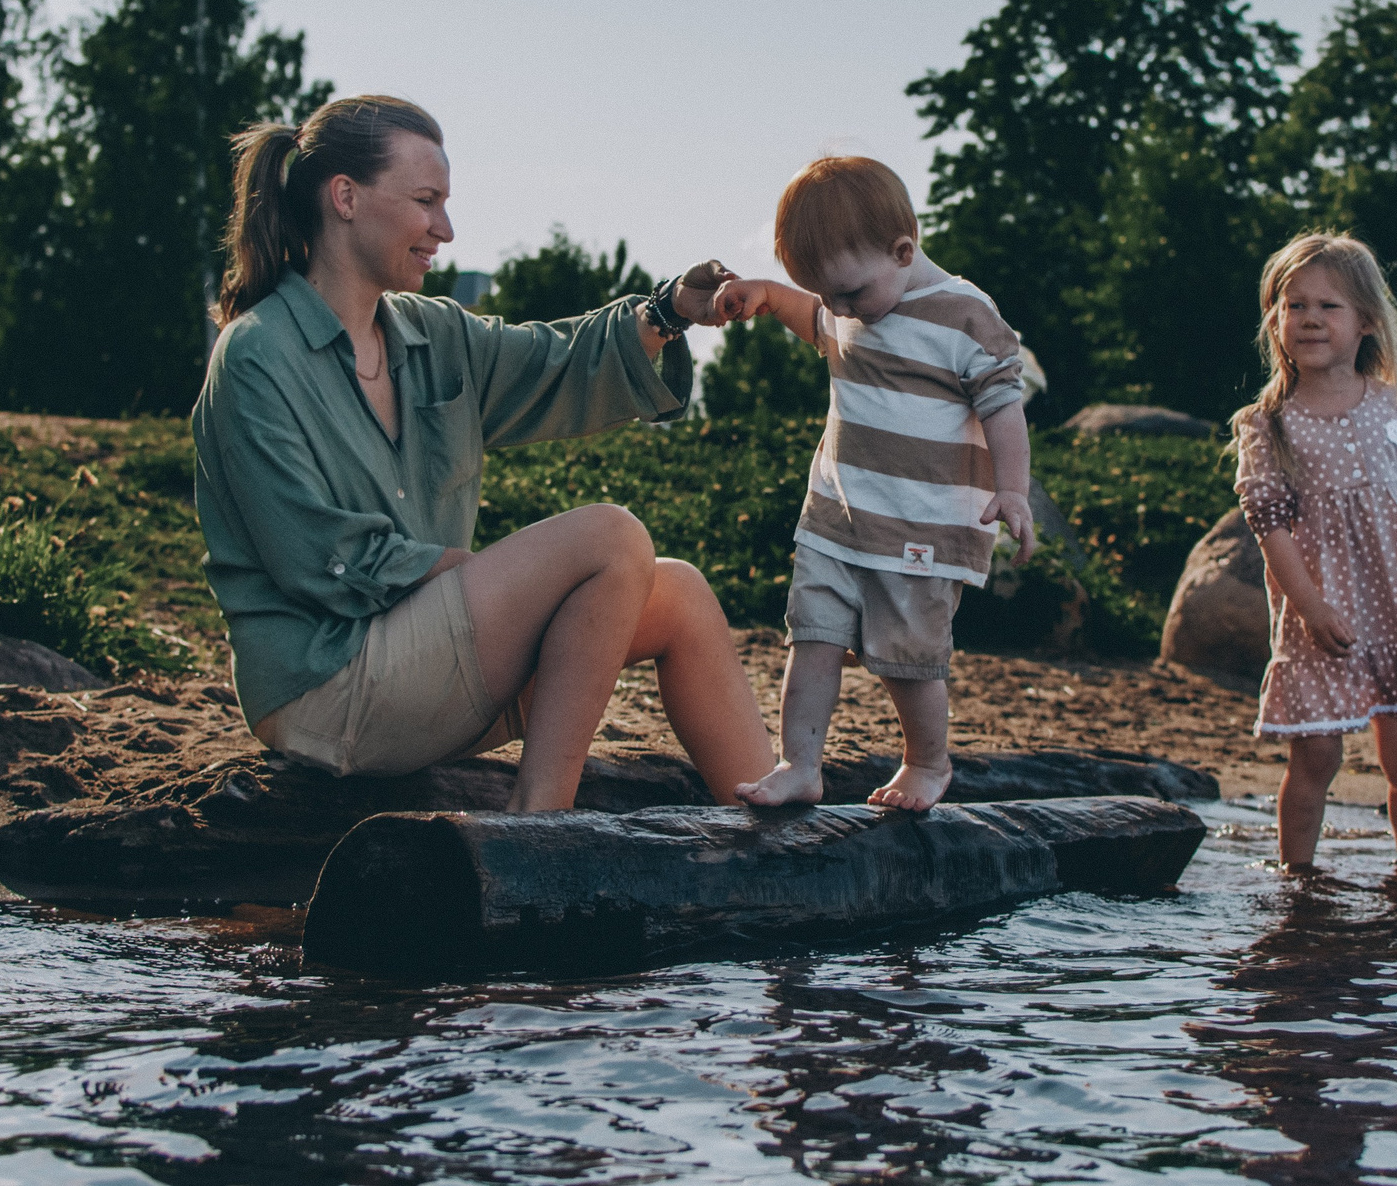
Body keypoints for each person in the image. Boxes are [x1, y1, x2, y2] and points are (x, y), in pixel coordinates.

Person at [190, 94, 778, 814]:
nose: (445, 228)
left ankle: (776, 833)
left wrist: (665, 312)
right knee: (609, 535)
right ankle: (540, 831)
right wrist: (495, 586)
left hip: (430, 676)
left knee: (677, 593)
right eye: (425, 201)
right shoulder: (257, 356)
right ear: (344, 198)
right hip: (328, 692)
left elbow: (555, 360)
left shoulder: (432, 333)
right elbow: (319, 557)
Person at [711, 157, 1034, 811]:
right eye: (827, 295)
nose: (840, 309)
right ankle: (799, 764)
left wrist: (1014, 490)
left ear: (904, 249)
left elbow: (1004, 405)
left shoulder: (965, 316)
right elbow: (818, 321)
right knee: (813, 636)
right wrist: (771, 296)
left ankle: (927, 763)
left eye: (849, 294)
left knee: (907, 658)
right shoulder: (850, 298)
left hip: (923, 526)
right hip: (837, 515)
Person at [1231, 231, 1397, 876]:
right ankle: (1296, 884)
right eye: (1294, 305)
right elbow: (1269, 526)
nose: (1309, 318)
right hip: (1324, 610)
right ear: (1275, 319)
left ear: (1366, 321)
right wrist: (1310, 608)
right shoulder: (1269, 422)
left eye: (1328, 306)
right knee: (1315, 757)